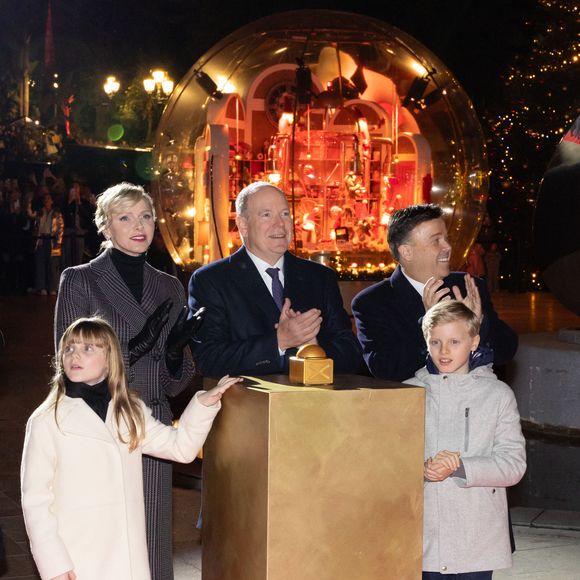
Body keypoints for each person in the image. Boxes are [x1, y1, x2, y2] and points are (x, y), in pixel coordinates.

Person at [21, 317, 240, 580]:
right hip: (78, 556)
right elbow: (35, 500)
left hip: (127, 558)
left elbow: (180, 448)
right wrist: (54, 564)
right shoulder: (47, 419)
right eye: (69, 348)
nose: (75, 354)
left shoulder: (129, 410)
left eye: (88, 348)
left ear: (110, 359)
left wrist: (204, 403)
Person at [54, 182, 198, 580]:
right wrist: (133, 348)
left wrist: (172, 355)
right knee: (102, 538)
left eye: (146, 216)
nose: (139, 226)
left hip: (149, 424)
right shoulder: (80, 280)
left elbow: (174, 384)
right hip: (97, 426)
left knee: (150, 541)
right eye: (125, 217)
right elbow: (68, 369)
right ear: (105, 227)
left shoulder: (169, 286)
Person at [403, 301, 526, 578]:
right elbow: (385, 460)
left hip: (476, 537)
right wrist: (418, 469)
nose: (444, 351)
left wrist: (460, 467)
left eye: (454, 341)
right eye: (435, 342)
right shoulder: (408, 393)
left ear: (474, 342)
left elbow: (514, 464)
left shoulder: (497, 395)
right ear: (426, 342)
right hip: (421, 536)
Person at [188, 181, 362, 377]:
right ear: (243, 226)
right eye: (266, 215)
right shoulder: (212, 280)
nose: (280, 224)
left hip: (317, 403)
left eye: (285, 214)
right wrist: (279, 341)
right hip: (248, 404)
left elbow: (351, 353)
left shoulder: (319, 277)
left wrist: (313, 348)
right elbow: (209, 359)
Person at [352, 204, 517, 382]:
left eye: (446, 239)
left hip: (472, 404)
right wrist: (428, 324)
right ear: (406, 252)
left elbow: (506, 351)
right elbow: (386, 369)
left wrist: (477, 323)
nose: (447, 247)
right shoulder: (373, 302)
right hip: (416, 406)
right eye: (436, 241)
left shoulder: (468, 286)